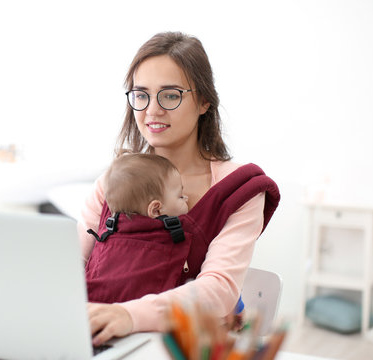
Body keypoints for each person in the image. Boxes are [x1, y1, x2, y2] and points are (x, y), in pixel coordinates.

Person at [78, 31, 280, 346]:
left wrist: (127, 315)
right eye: (141, 94)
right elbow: (73, 265)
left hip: (181, 346)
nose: (152, 110)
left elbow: (219, 290)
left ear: (204, 101)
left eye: (170, 95)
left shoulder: (240, 189)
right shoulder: (111, 181)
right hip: (100, 339)